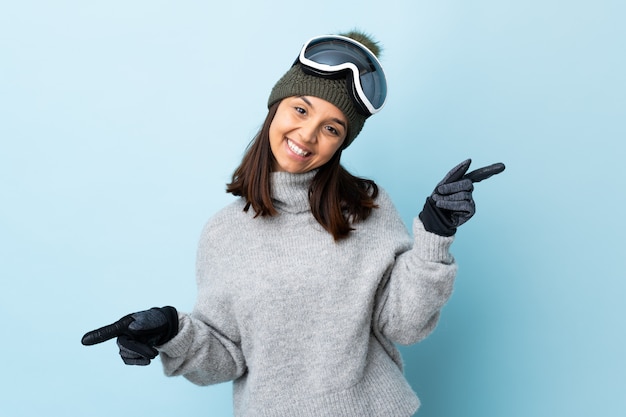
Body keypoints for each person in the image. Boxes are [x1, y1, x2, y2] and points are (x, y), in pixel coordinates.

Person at [82, 30, 505, 416]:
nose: (306, 135)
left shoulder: (367, 207)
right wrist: (171, 331)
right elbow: (226, 357)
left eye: (331, 128)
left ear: (342, 142)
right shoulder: (223, 232)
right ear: (276, 107)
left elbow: (403, 326)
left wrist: (435, 233)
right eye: (300, 109)